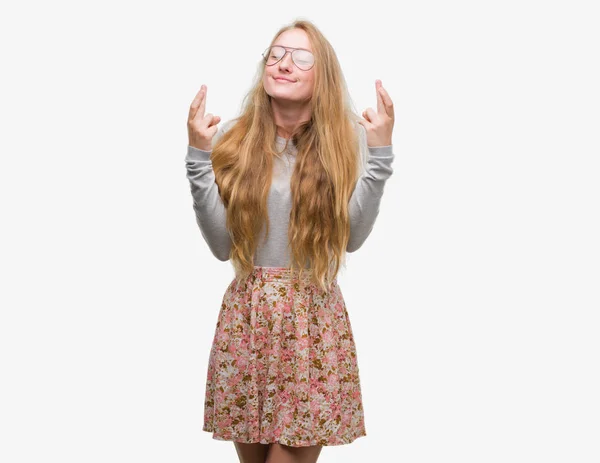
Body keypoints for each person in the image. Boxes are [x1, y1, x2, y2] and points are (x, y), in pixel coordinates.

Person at [185, 19, 395, 463]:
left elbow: (353, 239)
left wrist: (379, 156)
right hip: (248, 317)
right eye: (276, 54)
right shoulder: (233, 139)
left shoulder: (346, 140)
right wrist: (198, 158)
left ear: (324, 76)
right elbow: (223, 245)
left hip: (311, 322)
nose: (284, 64)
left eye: (301, 57)